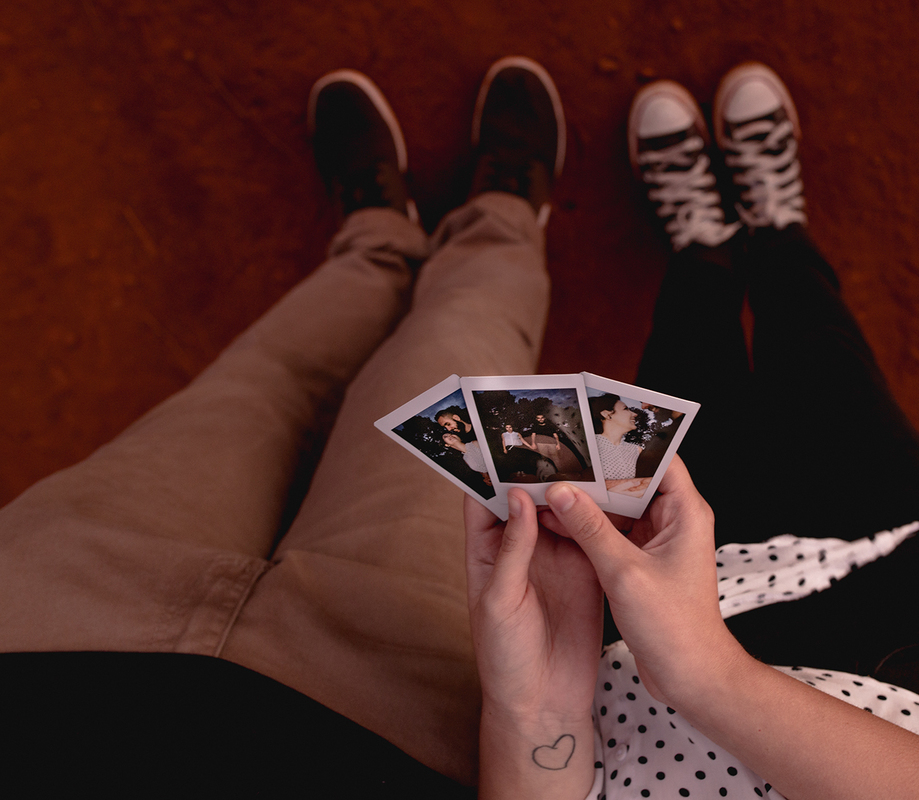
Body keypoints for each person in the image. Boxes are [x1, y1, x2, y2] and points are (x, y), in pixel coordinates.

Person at [463, 63, 919, 799]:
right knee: (832, 379)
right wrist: (705, 674)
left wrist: (535, 709)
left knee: (684, 377)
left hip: (628, 677)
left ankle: (702, 252)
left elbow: (542, 734)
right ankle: (779, 238)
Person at [0, 56, 565, 794]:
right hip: (392, 709)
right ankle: (502, 220)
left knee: (258, 381)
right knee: (460, 354)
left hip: (47, 632)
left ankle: (379, 239)